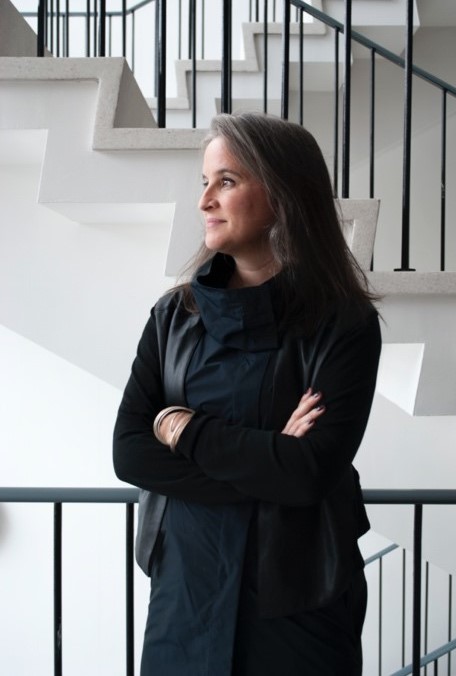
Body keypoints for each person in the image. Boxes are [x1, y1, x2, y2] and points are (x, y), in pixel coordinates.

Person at [113, 111, 381, 676]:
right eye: (204, 182)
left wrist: (184, 428)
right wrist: (270, 460)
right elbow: (130, 453)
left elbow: (309, 473)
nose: (204, 200)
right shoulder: (173, 315)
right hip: (184, 592)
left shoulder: (344, 323)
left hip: (298, 598)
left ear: (283, 196)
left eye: (227, 181)